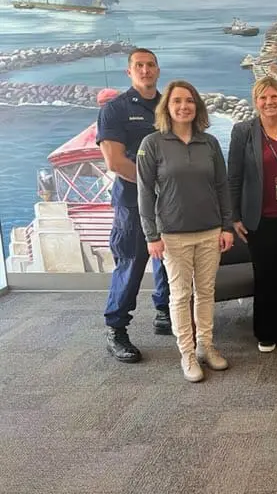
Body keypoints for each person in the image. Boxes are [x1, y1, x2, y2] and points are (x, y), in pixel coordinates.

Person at [137, 80, 234, 382]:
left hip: (209, 231)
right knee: (180, 296)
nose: (184, 106)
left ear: (197, 106)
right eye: (177, 101)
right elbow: (144, 193)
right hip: (173, 234)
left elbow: (222, 187)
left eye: (189, 100)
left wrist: (227, 226)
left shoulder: (210, 143)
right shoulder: (152, 144)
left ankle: (206, 346)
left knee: (205, 293)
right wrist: (151, 235)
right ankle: (187, 354)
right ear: (167, 106)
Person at [96, 48, 171, 363]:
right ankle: (116, 329)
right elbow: (114, 160)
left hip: (171, 199)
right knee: (132, 260)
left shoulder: (169, 105)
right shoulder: (115, 109)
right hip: (133, 201)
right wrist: (153, 186)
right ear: (129, 72)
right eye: (139, 65)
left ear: (157, 69)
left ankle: (165, 310)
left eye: (150, 65)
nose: (145, 70)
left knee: (170, 255)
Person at [227, 77, 277, 353]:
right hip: (257, 217)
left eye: (274, 97)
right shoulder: (243, 132)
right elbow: (233, 177)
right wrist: (234, 216)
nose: (269, 102)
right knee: (264, 274)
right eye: (263, 98)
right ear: (255, 102)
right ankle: (265, 331)